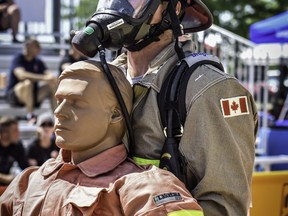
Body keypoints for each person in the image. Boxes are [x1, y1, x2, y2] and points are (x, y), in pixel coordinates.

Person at [71, 0, 259, 215]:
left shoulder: (208, 90)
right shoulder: (101, 81)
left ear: (174, 8)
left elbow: (225, 207)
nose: (118, 6)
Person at [0, 60, 204, 215]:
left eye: (76, 102)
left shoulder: (147, 189)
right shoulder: (27, 182)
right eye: (59, 100)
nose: (59, 112)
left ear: (115, 114)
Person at [5, 38, 57, 118]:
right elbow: (21, 75)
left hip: (33, 96)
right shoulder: (18, 58)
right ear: (28, 46)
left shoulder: (38, 62)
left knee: (52, 85)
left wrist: (52, 78)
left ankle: (56, 116)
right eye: (36, 46)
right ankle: (31, 115)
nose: (39, 48)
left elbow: (49, 75)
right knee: (27, 83)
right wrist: (44, 78)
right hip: (16, 96)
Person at [0, 116, 29, 186]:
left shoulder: (18, 145)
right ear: (5, 133)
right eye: (15, 130)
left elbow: (25, 167)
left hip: (8, 185)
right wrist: (7, 178)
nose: (19, 134)